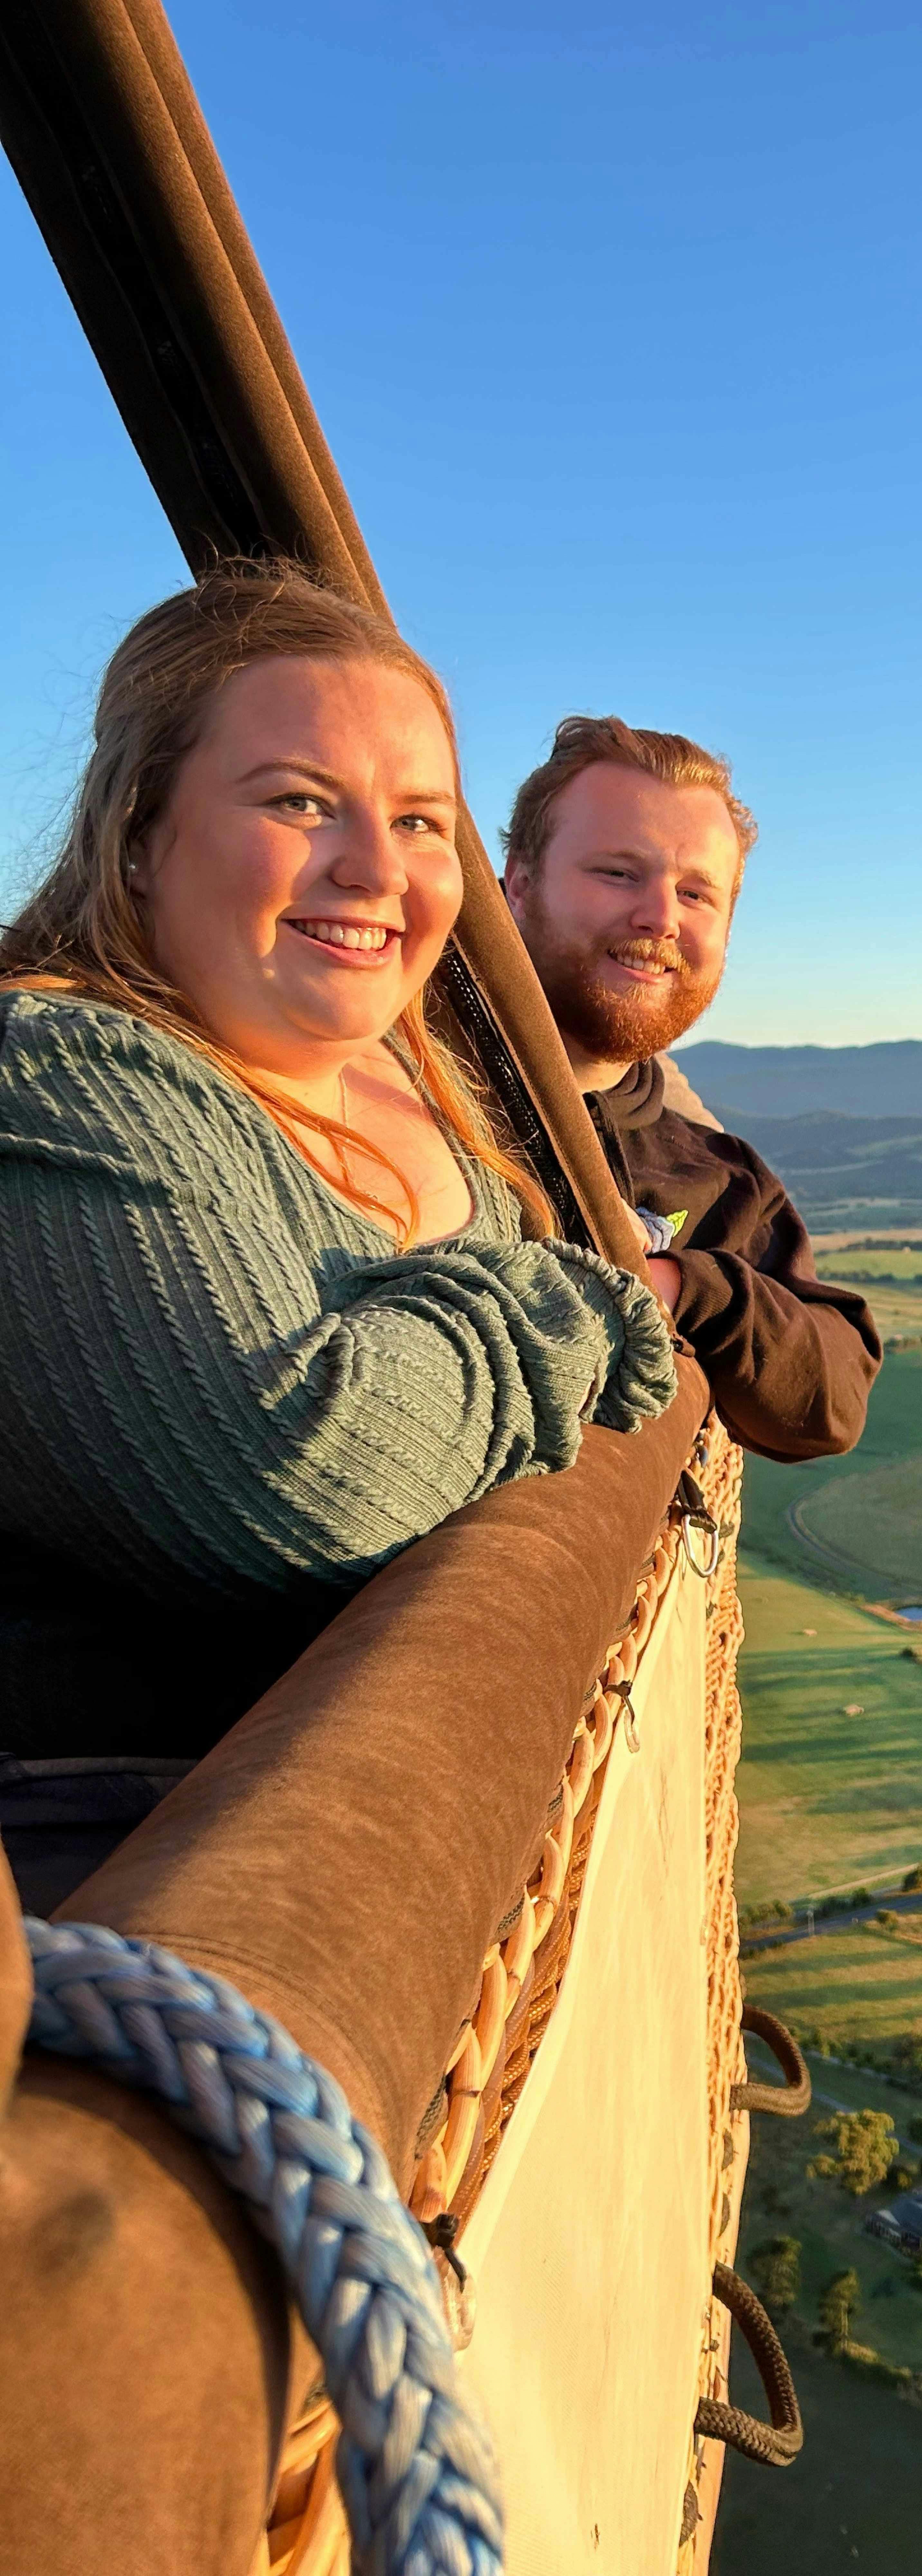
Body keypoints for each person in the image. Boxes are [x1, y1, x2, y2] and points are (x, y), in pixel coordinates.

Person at [0, 562, 680, 1827]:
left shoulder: (422, 1078)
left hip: (363, 1825)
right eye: (303, 802)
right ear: (140, 836)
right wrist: (570, 1305)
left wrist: (444, 1337)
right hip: (125, 1873)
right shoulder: (57, 1072)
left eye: (422, 820)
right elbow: (299, 1470)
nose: (377, 867)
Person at [502, 718, 879, 1461]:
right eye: (618, 872)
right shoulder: (412, 1088)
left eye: (698, 893)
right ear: (518, 884)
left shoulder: (720, 1177)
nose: (661, 917)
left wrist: (679, 1284)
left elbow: (833, 1399)